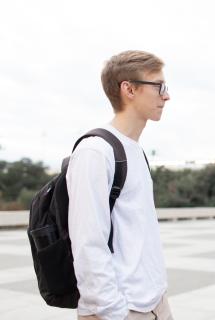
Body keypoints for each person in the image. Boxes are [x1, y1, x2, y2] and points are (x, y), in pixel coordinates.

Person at [67, 50, 173, 320]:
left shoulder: (135, 151)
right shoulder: (96, 151)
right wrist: (115, 312)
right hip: (120, 310)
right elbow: (88, 244)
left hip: (154, 303)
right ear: (129, 89)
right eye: (159, 86)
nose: (167, 95)